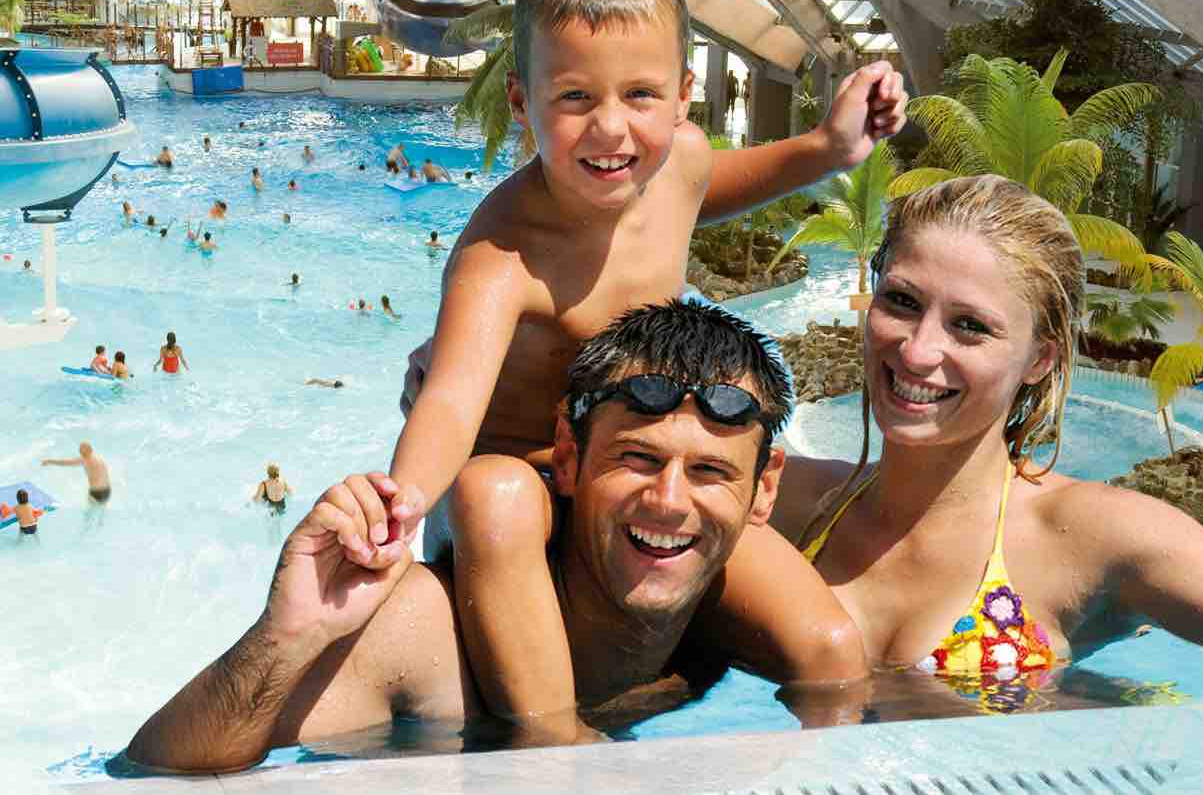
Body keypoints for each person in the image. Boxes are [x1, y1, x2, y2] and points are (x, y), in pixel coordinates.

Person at [387, 0, 905, 728]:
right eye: (574, 98)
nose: (610, 129)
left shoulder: (677, 165)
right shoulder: (504, 252)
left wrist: (828, 149)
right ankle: (554, 743)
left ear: (682, 95)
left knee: (831, 648)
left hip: (633, 480)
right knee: (496, 494)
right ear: (522, 101)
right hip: (523, 505)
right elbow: (452, 400)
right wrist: (398, 505)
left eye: (639, 95)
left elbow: (716, 184)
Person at [126, 301, 861, 771]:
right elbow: (157, 773)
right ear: (567, 458)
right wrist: (285, 636)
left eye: (709, 471)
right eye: (636, 459)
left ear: (763, 489)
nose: (669, 502)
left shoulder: (746, 625)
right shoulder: (432, 639)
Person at [752, 175, 1203, 703]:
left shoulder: (1092, 537)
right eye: (901, 301)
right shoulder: (786, 500)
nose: (918, 351)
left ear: (1040, 358)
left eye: (970, 325)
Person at [41, 441, 111, 503]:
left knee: (90, 511)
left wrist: (49, 461)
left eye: (81, 451)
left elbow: (66, 463)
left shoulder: (86, 460)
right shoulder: (98, 458)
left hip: (96, 492)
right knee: (101, 509)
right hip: (107, 490)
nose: (80, 453)